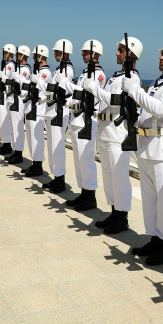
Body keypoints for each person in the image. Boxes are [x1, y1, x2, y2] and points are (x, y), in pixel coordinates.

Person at [122, 42, 163, 266]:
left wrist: (134, 90)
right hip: (147, 143)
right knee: (149, 197)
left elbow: (160, 109)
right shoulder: (159, 82)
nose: (161, 58)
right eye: (161, 54)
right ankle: (154, 237)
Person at [84, 36, 143, 234]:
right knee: (108, 175)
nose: (117, 53)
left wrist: (94, 89)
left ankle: (122, 217)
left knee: (119, 176)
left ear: (131, 54)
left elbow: (115, 101)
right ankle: (113, 211)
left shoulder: (131, 77)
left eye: (121, 50)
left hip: (118, 132)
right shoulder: (116, 76)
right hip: (106, 129)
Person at [58, 40, 105, 211]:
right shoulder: (86, 73)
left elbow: (87, 95)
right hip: (77, 120)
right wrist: (67, 101)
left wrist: (65, 83)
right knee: (78, 160)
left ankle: (90, 196)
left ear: (94, 53)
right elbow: (78, 95)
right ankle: (84, 192)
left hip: (87, 121)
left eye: (85, 52)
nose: (82, 54)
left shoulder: (99, 74)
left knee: (86, 159)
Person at [43, 39, 75, 194]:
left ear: (65, 52)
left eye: (57, 52)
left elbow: (62, 87)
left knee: (57, 145)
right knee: (51, 145)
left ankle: (60, 179)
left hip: (59, 110)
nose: (54, 54)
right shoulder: (57, 69)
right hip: (51, 109)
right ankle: (55, 176)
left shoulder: (67, 69)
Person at [21, 45, 49, 177]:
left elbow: (44, 89)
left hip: (38, 109)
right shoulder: (37, 71)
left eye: (35, 55)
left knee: (36, 137)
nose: (33, 57)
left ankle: (38, 165)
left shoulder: (46, 72)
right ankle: (35, 162)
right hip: (30, 107)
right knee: (31, 137)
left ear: (42, 56)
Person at [5, 45, 31, 165]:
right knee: (13, 126)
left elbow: (23, 82)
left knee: (18, 126)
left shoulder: (25, 69)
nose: (16, 56)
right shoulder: (18, 67)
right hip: (14, 97)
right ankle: (16, 150)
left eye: (19, 54)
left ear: (24, 55)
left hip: (20, 99)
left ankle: (19, 152)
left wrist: (16, 76)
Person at [0, 44, 16, 155]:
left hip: (6, 95)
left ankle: (7, 145)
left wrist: (1, 76)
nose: (3, 54)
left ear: (9, 52)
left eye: (4, 52)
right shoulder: (7, 65)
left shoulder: (11, 65)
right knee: (1, 120)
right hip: (3, 94)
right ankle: (5, 143)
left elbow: (5, 79)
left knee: (4, 120)